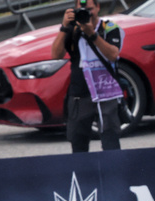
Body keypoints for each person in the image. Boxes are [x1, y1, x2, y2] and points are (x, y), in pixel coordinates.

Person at [52, 0, 123, 153]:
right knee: (78, 141)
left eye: (89, 9)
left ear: (98, 7)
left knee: (110, 139)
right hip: (80, 92)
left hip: (106, 91)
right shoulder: (72, 29)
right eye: (82, 9)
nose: (87, 13)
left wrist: (92, 34)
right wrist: (64, 27)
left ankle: (114, 167)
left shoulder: (109, 28)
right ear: (75, 10)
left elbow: (113, 55)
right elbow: (56, 55)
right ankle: (82, 168)